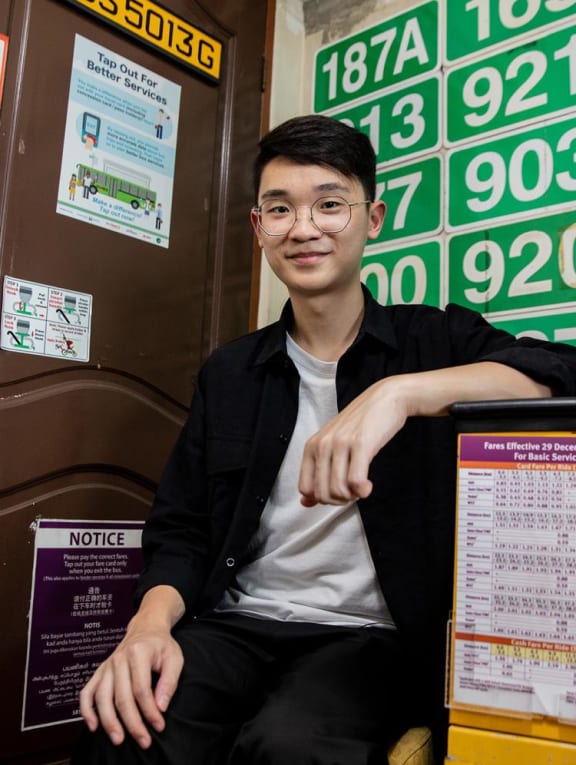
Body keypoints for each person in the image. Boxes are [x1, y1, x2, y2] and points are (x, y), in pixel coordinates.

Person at [72, 115, 576, 765]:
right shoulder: (228, 373)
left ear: (373, 219)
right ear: (259, 229)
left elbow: (559, 373)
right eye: (279, 209)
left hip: (369, 639)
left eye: (329, 204)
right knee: (121, 728)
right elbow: (181, 532)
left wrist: (399, 395)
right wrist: (144, 630)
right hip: (234, 625)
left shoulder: (431, 342)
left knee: (289, 747)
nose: (303, 228)